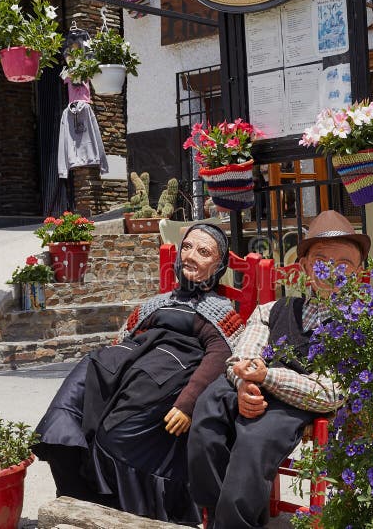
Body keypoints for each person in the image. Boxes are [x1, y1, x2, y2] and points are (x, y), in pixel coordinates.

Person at [32, 224, 245, 524]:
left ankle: (120, 509)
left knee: (115, 433)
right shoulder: (157, 302)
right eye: (187, 247)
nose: (191, 256)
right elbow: (124, 337)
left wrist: (187, 403)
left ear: (219, 265)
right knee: (68, 408)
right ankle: (74, 488)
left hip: (164, 378)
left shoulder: (220, 310)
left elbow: (221, 354)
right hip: (124, 366)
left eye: (203, 251)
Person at [187, 210, 371, 529]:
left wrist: (267, 377)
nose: (331, 271)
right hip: (254, 384)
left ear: (359, 272)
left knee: (253, 442)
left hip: (296, 402)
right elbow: (243, 353)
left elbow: (329, 393)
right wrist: (244, 381)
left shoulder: (356, 328)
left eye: (344, 264)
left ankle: (234, 522)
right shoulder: (274, 309)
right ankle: (217, 513)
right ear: (304, 268)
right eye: (321, 260)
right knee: (208, 410)